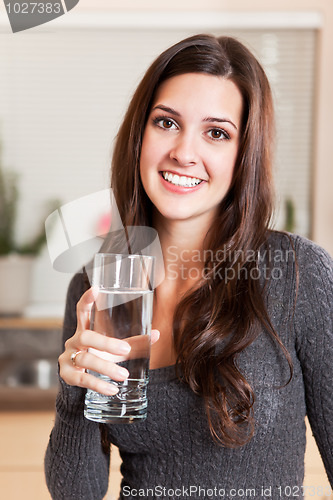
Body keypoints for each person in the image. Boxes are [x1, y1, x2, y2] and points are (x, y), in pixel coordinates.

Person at [44, 34, 333, 500]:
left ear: (243, 158)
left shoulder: (298, 273)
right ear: (140, 134)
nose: (183, 151)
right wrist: (76, 390)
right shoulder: (98, 283)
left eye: (217, 132)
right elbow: (76, 493)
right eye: (166, 123)